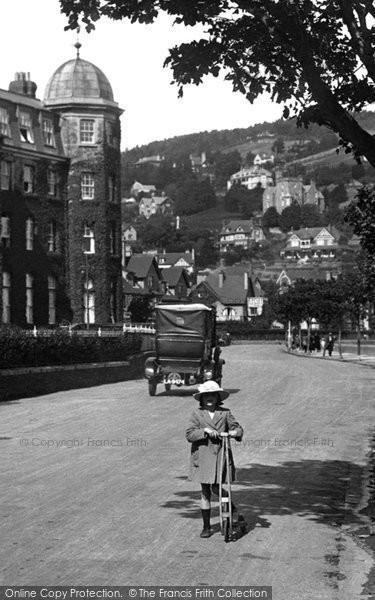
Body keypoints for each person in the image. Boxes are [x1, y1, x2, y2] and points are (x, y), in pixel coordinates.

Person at [186, 380, 243, 538]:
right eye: (206, 396)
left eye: (213, 395)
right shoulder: (197, 414)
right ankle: (206, 527)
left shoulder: (225, 413)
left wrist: (234, 433)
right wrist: (204, 431)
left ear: (218, 397)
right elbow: (189, 434)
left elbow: (238, 428)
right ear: (202, 398)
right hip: (203, 456)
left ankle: (233, 510)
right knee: (205, 492)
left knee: (217, 488)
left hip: (221, 456)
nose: (209, 398)